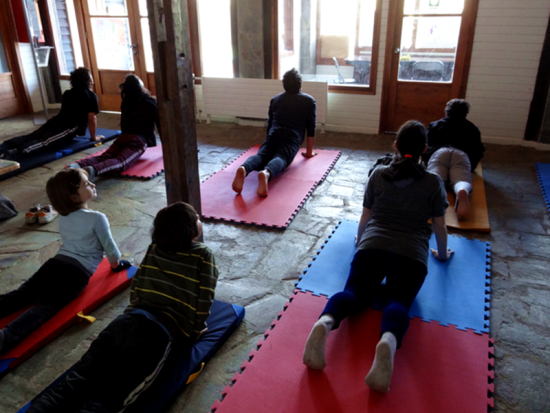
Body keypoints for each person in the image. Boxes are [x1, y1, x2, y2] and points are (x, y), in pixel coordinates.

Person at [302, 121, 453, 393]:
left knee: (355, 291)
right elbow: (440, 227)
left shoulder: (379, 174)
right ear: (425, 150)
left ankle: (325, 322)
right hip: (411, 254)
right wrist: (442, 255)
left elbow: (366, 216)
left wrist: (361, 240)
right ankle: (388, 340)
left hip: (372, 246)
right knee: (398, 300)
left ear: (395, 146)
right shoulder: (433, 182)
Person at [25, 202, 219, 412]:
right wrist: (193, 333)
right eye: (198, 218)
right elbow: (204, 298)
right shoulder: (203, 254)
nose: (201, 221)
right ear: (191, 230)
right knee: (112, 395)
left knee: (77, 379)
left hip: (125, 322)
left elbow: (137, 284)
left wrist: (135, 309)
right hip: (156, 337)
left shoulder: (155, 247)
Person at [0, 169, 128, 355]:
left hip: (54, 264)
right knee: (46, 306)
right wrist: (116, 266)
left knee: (22, 294)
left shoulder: (64, 216)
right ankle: (5, 338)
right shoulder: (97, 218)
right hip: (76, 274)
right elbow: (110, 248)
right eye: (86, 184)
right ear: (74, 197)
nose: (92, 184)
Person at [231, 68, 317, 197]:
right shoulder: (309, 101)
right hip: (292, 136)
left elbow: (269, 124)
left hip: (274, 132)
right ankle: (266, 173)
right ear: (300, 84)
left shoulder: (275, 99)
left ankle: (244, 168)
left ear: (284, 84)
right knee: (281, 157)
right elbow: (311, 128)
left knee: (262, 155)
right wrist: (309, 152)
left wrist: (269, 142)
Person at [0, 67, 103, 161]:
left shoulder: (67, 93)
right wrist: (93, 137)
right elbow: (91, 118)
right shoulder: (91, 96)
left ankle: (3, 146)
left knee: (31, 136)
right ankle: (14, 154)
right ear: (88, 80)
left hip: (55, 121)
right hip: (68, 127)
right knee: (44, 142)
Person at [70, 74, 160, 181]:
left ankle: (77, 165)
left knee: (104, 157)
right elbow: (160, 125)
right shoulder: (151, 103)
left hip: (123, 138)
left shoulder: (126, 102)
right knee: (121, 162)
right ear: (141, 87)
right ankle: (94, 170)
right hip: (137, 141)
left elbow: (124, 124)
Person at [423, 99, 485, 220]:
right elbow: (479, 150)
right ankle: (462, 190)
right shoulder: (472, 128)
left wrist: (426, 160)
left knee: (436, 176)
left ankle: (435, 193)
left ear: (447, 111)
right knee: (461, 179)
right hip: (461, 154)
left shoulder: (435, 124)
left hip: (439, 152)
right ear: (466, 113)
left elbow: (425, 145)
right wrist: (471, 165)